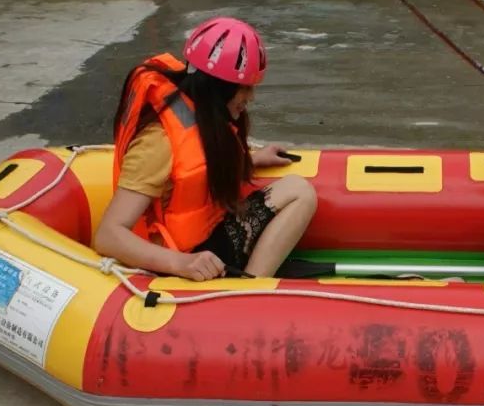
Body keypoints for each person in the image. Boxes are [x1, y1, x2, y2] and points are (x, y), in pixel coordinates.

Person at [94, 17, 317, 281]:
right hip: (183, 259)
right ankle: (249, 290)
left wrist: (252, 160)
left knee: (298, 189)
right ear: (220, 89)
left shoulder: (203, 114)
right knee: (300, 192)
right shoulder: (158, 143)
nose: (250, 97)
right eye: (245, 88)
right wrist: (182, 263)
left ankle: (248, 281)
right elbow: (108, 235)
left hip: (208, 235)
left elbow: (197, 170)